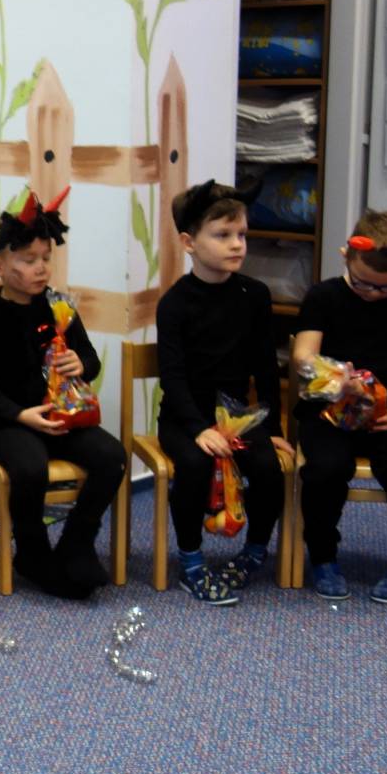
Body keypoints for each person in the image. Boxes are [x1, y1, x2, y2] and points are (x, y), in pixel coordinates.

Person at [0, 187, 127, 599]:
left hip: (60, 416)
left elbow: (90, 358)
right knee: (30, 467)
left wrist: (81, 364)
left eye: (46, 258)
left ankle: (76, 542)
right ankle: (32, 552)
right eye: (28, 260)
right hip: (5, 422)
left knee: (111, 456)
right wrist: (21, 415)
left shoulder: (59, 307)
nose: (40, 268)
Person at [291, 208, 387, 602]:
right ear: (346, 255)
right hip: (328, 411)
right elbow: (303, 354)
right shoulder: (323, 297)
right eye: (363, 283)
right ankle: (323, 556)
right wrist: (334, 376)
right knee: (325, 469)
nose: (373, 293)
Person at [156, 181, 288, 604]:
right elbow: (172, 377)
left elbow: (266, 368)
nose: (236, 244)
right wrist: (198, 428)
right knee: (195, 464)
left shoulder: (255, 295)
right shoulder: (174, 304)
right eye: (223, 235)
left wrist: (274, 428)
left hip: (237, 417)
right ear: (188, 243)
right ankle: (191, 562)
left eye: (242, 235)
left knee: (268, 467)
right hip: (184, 417)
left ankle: (254, 552)